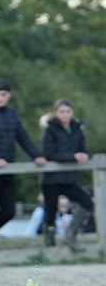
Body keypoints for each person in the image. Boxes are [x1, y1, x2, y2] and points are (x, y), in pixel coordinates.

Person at [0, 78, 46, 250]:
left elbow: (23, 137)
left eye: (3, 94)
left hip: (7, 167)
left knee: (9, 210)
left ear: (9, 96)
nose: (0, 97)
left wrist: (36, 155)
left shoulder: (12, 114)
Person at [40, 98, 94, 252]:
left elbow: (82, 148)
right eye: (62, 111)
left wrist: (83, 155)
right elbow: (49, 154)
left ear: (72, 112)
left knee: (87, 202)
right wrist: (72, 156)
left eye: (68, 111)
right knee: (50, 213)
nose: (65, 114)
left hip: (69, 178)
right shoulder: (49, 130)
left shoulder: (77, 129)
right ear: (56, 113)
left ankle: (71, 234)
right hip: (51, 179)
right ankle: (49, 248)